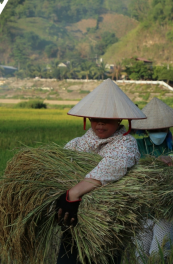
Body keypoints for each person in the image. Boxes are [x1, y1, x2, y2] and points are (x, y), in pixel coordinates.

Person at [56, 79, 147, 264]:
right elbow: (62, 163)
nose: (100, 124)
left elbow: (114, 166)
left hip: (106, 224)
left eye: (107, 120)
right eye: (96, 119)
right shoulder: (79, 142)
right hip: (73, 222)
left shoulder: (126, 143)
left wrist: (74, 192)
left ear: (120, 119)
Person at [131, 97, 173, 263]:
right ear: (147, 129)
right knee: (140, 256)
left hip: (166, 213)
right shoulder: (134, 146)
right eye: (155, 129)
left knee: (158, 256)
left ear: (168, 128)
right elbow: (126, 171)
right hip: (141, 211)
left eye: (162, 128)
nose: (159, 132)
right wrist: (155, 163)